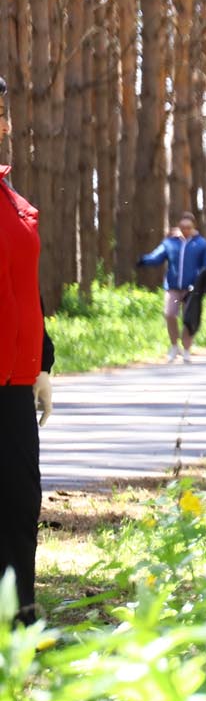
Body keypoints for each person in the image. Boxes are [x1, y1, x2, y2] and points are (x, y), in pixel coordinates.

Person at [0, 77, 54, 624]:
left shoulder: (13, 202)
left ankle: (20, 620)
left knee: (20, 500)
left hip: (15, 381)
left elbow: (27, 285)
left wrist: (44, 363)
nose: (4, 121)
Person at [137, 212, 206, 363]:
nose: (185, 229)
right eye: (182, 227)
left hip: (192, 289)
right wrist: (143, 260)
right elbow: (157, 256)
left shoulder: (201, 244)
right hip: (173, 287)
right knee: (169, 314)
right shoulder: (170, 243)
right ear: (178, 227)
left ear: (194, 227)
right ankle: (174, 346)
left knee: (189, 319)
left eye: (188, 227)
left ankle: (186, 349)